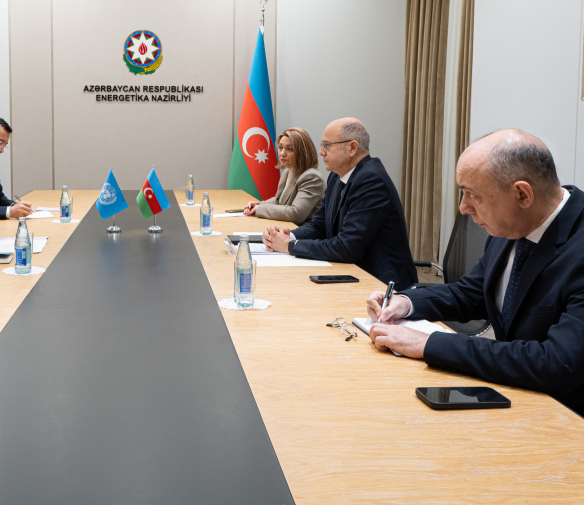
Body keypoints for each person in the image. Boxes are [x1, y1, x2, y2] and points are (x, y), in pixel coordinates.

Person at [367, 129, 584, 414]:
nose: (463, 207)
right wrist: (406, 303)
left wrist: (429, 344)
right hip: (518, 393)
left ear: (522, 194)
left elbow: (558, 364)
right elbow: (471, 293)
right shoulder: (513, 224)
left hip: (567, 415)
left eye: (472, 194)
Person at [263, 118, 418, 288]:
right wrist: (287, 235)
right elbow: (319, 225)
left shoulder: (372, 181)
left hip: (382, 284)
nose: (321, 152)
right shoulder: (336, 176)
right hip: (351, 272)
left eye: (327, 145)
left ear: (352, 147)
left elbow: (347, 247)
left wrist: (290, 245)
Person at [244, 127, 325, 225]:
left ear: (303, 152)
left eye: (289, 149)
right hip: (286, 227)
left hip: (302, 231)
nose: (282, 153)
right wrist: (258, 205)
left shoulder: (312, 177)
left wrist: (261, 209)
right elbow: (279, 201)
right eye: (280, 147)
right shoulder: (287, 172)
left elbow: (296, 214)